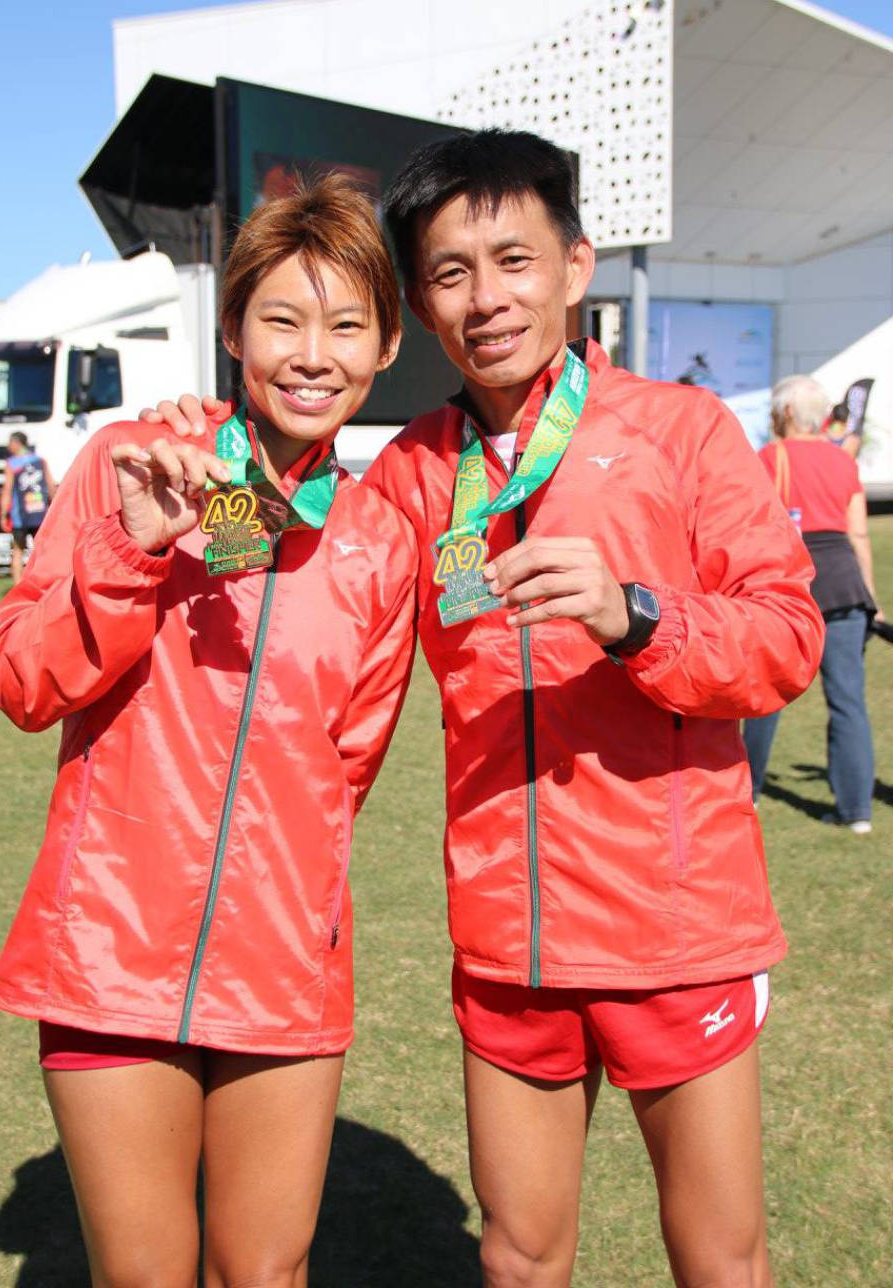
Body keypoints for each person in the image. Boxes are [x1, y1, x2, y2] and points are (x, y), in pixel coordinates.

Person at [147, 129, 824, 1288]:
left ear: (576, 265)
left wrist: (637, 617)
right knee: (514, 1257)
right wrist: (189, 490)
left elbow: (787, 638)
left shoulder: (682, 432)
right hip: (508, 941)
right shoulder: (416, 468)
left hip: (677, 924)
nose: (487, 298)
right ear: (422, 297)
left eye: (513, 260)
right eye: (451, 272)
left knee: (721, 1259)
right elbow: (300, 547)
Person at [0, 177, 417, 1288]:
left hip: (283, 964)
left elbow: (348, 763)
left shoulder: (380, 539)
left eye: (346, 324)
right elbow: (23, 682)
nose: (312, 353)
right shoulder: (134, 460)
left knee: (267, 1275)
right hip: (109, 949)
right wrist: (133, 548)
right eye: (281, 318)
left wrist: (291, 886)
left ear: (386, 345)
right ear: (231, 330)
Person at [743, 375, 880, 833]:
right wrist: (872, 598)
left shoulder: (768, 458)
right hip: (845, 585)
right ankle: (857, 810)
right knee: (848, 700)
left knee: (766, 697)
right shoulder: (842, 460)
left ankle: (748, 794)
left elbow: (754, 528)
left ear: (783, 413)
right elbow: (857, 532)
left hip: (791, 583)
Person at [0, 430, 56, 584]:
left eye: (10, 443)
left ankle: (18, 587)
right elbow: (51, 486)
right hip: (40, 513)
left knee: (17, 551)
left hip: (21, 516)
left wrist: (3, 513)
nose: (8, 447)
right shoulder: (40, 461)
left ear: (17, 443)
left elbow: (8, 489)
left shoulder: (12, 463)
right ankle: (44, 584)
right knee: (42, 551)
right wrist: (55, 506)